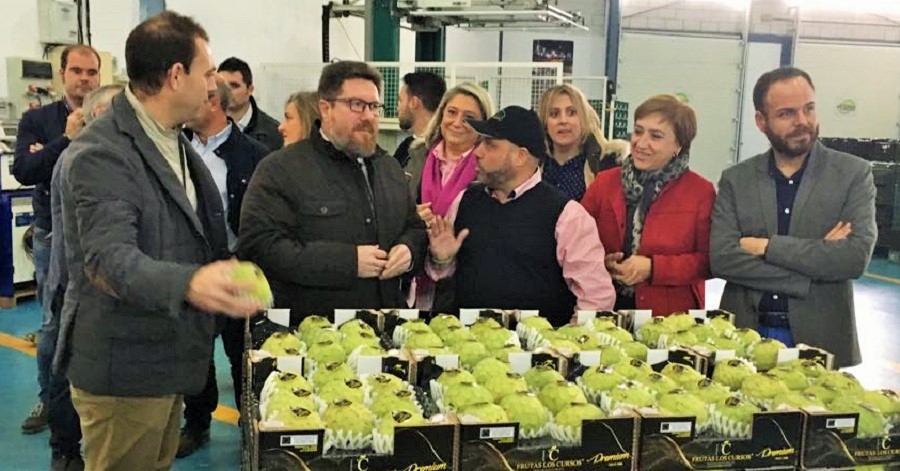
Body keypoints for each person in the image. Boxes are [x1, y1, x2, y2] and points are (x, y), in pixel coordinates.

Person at [57, 12, 261, 470]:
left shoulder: (171, 139)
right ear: (176, 75)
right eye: (207, 72)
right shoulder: (103, 153)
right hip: (125, 371)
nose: (213, 86)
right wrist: (191, 283)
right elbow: (108, 260)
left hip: (165, 359)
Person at [710, 67, 876, 367]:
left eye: (809, 108)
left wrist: (766, 247)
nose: (802, 121)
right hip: (744, 336)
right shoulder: (737, 179)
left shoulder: (852, 174)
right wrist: (810, 270)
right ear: (761, 121)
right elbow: (722, 258)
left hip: (820, 338)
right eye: (786, 113)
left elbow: (853, 258)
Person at [239, 61, 427, 313]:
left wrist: (409, 251)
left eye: (374, 106)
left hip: (384, 326)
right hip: (313, 329)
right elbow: (259, 247)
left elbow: (414, 227)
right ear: (325, 108)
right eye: (356, 105)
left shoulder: (389, 168)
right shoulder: (280, 170)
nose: (368, 116)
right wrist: (347, 262)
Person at [426, 106, 616, 327]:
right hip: (467, 343)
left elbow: (596, 298)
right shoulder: (464, 200)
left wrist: (564, 341)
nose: (477, 152)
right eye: (480, 142)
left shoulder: (567, 216)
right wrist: (442, 260)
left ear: (520, 156)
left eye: (490, 144)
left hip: (537, 346)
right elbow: (443, 280)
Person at [177, 75, 269, 458]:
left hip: (236, 266)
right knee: (193, 352)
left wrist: (241, 256)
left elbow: (263, 218)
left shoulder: (254, 155)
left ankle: (250, 423)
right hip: (190, 270)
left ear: (213, 101)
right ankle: (197, 422)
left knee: (240, 352)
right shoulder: (175, 148)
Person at [13, 43, 101, 436]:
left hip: (100, 233)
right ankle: (49, 399)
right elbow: (25, 170)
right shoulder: (39, 120)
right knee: (53, 321)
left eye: (91, 72)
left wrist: (44, 155)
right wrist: (63, 140)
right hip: (53, 233)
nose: (85, 79)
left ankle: (92, 398)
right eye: (77, 71)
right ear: (62, 74)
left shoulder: (110, 116)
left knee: (100, 317)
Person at [42, 83, 122, 471]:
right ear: (98, 115)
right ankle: (64, 450)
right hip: (74, 285)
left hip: (88, 284)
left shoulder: (104, 156)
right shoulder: (81, 158)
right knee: (67, 371)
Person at [581, 95, 715, 316]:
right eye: (638, 131)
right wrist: (601, 261)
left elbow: (709, 261)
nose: (641, 143)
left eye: (656, 136)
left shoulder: (701, 192)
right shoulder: (604, 183)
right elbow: (577, 242)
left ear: (679, 145)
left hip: (671, 318)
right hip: (605, 310)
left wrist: (653, 268)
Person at [403, 82, 493, 311]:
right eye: (452, 112)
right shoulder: (415, 155)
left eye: (469, 117)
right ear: (441, 114)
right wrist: (411, 217)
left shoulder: (491, 170)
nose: (457, 122)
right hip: (411, 280)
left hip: (464, 284)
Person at [537, 84, 629, 201]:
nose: (563, 121)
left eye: (571, 113)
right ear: (545, 122)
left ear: (584, 118)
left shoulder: (608, 163)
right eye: (554, 114)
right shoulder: (532, 166)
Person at [218, 57, 283, 152]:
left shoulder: (274, 133)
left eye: (234, 86)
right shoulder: (204, 128)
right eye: (222, 86)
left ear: (250, 90)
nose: (227, 91)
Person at [395, 71, 446, 167]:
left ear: (413, 102)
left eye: (400, 100)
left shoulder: (442, 152)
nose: (398, 108)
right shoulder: (405, 147)